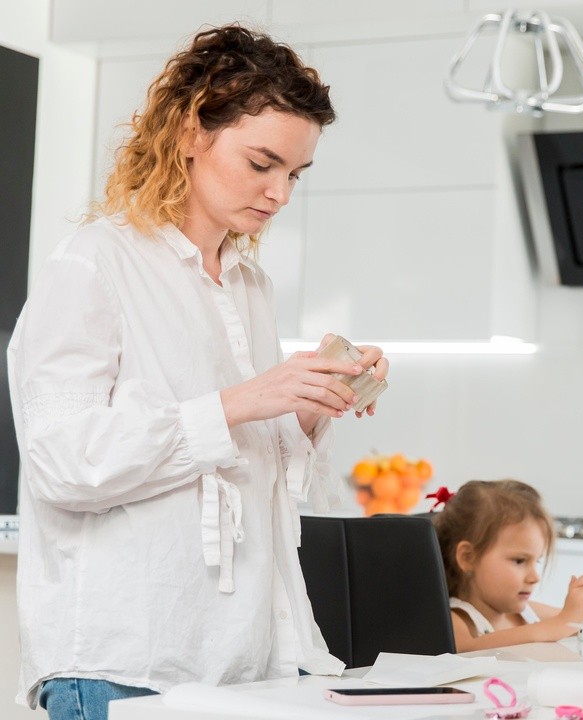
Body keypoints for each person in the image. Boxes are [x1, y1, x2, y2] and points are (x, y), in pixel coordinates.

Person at [6, 24, 388, 720]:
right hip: (129, 665)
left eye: (294, 174)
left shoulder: (248, 285)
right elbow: (62, 463)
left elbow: (248, 467)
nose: (279, 195)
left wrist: (309, 404)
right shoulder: (93, 265)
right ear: (190, 132)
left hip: (242, 663)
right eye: (262, 163)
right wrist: (243, 400)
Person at [432, 480, 583, 652]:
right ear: (468, 557)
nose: (534, 576)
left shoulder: (526, 612)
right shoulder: (456, 620)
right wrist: (560, 623)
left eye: (538, 561)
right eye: (519, 561)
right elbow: (471, 650)